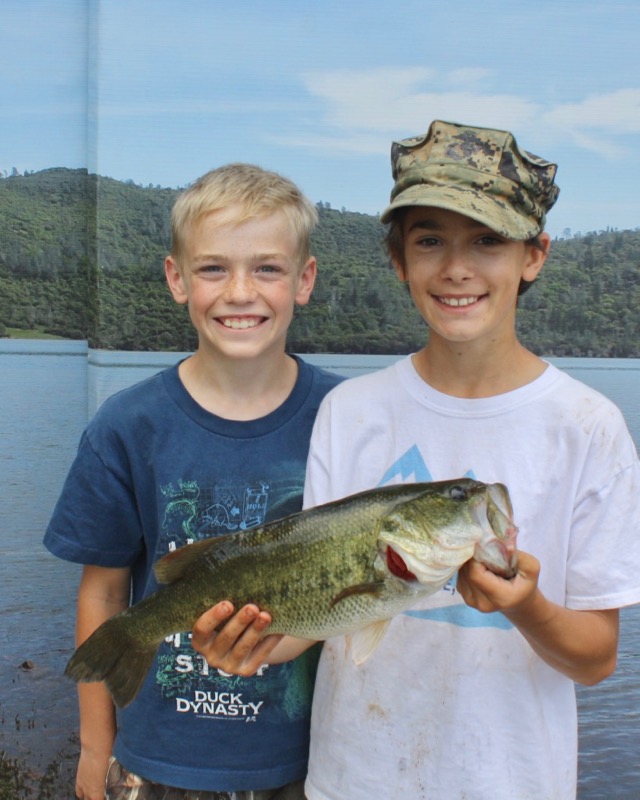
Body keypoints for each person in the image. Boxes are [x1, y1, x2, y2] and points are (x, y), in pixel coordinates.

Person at [191, 121, 640, 799]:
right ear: (398, 259)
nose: (457, 268)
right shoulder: (353, 411)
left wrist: (526, 608)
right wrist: (245, 644)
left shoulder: (588, 428)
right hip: (354, 780)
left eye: (488, 239)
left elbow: (596, 657)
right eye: (430, 239)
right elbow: (321, 609)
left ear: (535, 255)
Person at [44, 163, 343, 800]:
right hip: (160, 763)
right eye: (213, 268)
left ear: (304, 280)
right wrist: (97, 749)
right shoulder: (127, 426)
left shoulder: (351, 417)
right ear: (177, 278)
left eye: (267, 268)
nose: (241, 292)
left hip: (313, 764)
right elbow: (102, 598)